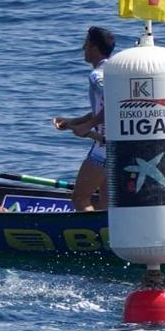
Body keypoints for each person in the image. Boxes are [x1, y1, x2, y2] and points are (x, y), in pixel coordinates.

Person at [53, 26, 115, 211]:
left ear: (94, 49)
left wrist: (88, 125)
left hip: (103, 147)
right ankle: (108, 237)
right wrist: (74, 122)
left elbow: (114, 103)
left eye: (86, 45)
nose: (83, 48)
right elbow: (102, 109)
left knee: (80, 198)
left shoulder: (97, 75)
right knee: (106, 204)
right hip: (115, 145)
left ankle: (92, 239)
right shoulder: (115, 71)